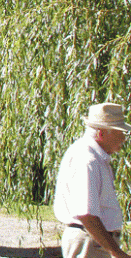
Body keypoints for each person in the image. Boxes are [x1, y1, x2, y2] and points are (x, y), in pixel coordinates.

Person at [54, 102, 131, 258]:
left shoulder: (95, 157)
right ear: (101, 134)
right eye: (119, 132)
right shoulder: (87, 160)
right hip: (90, 243)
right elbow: (86, 214)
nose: (124, 138)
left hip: (95, 241)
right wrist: (115, 251)